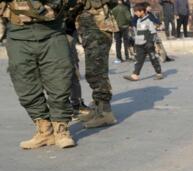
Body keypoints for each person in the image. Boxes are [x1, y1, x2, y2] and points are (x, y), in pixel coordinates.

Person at [2, 0, 76, 149]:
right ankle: (44, 130)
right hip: (18, 36)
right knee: (24, 83)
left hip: (52, 33)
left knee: (59, 81)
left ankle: (61, 130)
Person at [76, 0, 119, 128]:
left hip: (98, 28)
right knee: (93, 72)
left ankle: (105, 113)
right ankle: (98, 108)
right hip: (90, 28)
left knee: (97, 73)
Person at [124, 3, 164, 81]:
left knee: (153, 58)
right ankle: (135, 75)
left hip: (148, 43)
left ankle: (159, 73)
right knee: (139, 59)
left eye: (136, 11)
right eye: (134, 12)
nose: (135, 13)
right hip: (139, 43)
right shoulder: (138, 20)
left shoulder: (149, 20)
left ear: (142, 11)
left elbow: (153, 32)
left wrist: (151, 42)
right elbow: (136, 30)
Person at [65, 3, 90, 119]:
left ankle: (75, 104)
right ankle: (72, 106)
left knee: (73, 70)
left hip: (68, 32)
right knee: (69, 71)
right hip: (61, 34)